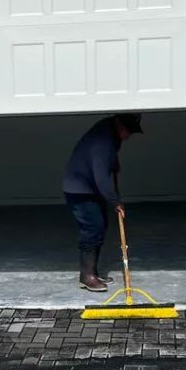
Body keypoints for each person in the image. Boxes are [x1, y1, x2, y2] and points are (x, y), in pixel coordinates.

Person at [62, 113, 143, 292]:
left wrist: (114, 162)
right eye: (128, 132)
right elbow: (101, 177)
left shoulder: (109, 132)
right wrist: (115, 202)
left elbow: (108, 166)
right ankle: (86, 276)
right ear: (119, 125)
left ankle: (93, 272)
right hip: (80, 190)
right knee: (92, 229)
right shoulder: (103, 142)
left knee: (100, 227)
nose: (128, 136)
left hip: (89, 187)